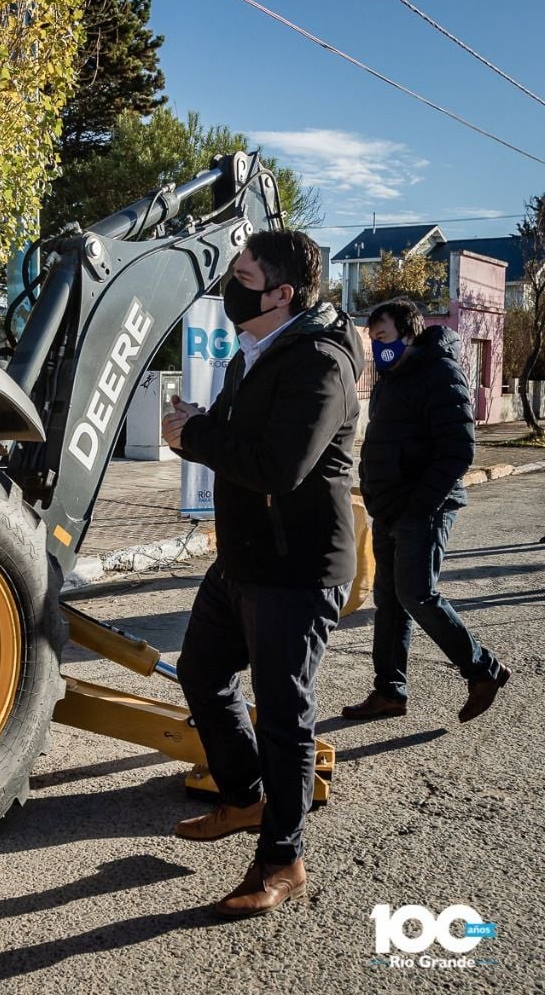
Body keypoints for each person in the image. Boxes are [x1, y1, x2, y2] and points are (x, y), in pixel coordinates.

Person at [160, 229, 363, 919]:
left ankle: (283, 857)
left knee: (285, 715)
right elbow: (238, 441)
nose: (231, 282)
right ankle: (245, 796)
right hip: (243, 557)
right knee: (200, 672)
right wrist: (201, 423)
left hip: (297, 568)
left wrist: (196, 436)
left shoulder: (320, 363)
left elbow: (280, 465)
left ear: (281, 293)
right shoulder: (253, 354)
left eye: (244, 273)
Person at [341, 298, 511, 723]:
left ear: (409, 334)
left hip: (423, 508)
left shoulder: (441, 373)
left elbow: (458, 450)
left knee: (417, 594)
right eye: (373, 338)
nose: (376, 346)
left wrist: (418, 504)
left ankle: (483, 669)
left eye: (382, 337)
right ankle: (389, 692)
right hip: (390, 506)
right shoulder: (389, 379)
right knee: (390, 601)